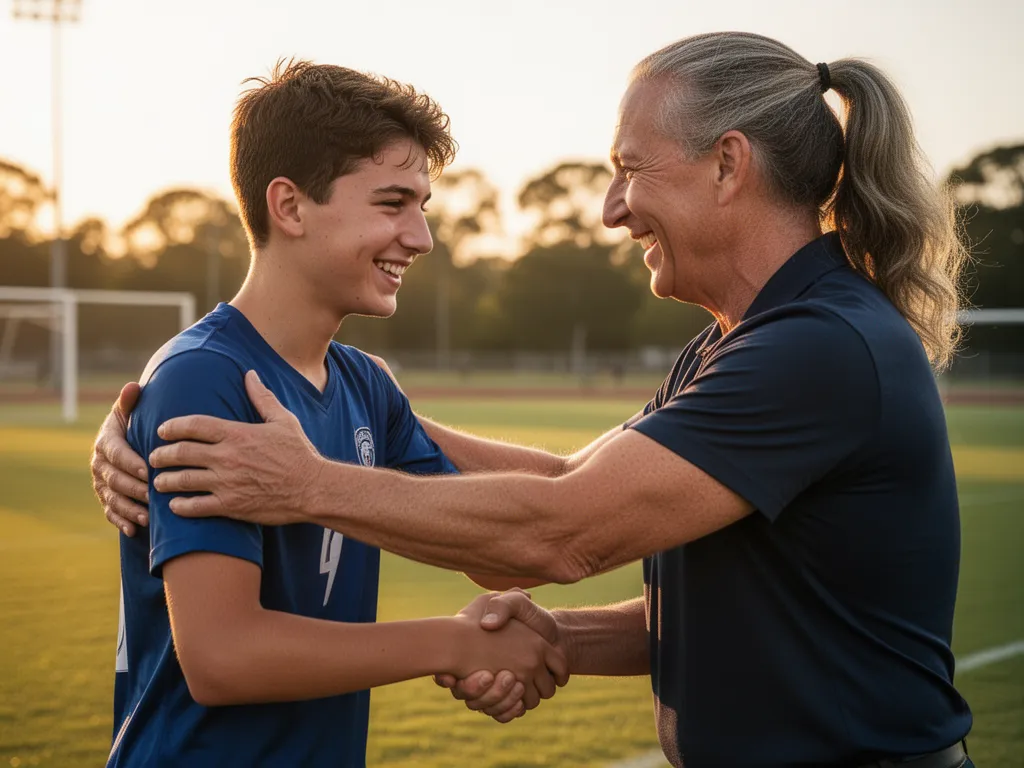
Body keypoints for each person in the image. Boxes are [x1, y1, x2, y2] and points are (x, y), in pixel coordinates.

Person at [93, 32, 975, 768]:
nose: (612, 209)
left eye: (630, 169)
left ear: (728, 164)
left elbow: (559, 528)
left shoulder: (817, 347)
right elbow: (569, 490)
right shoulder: (731, 345)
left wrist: (308, 482)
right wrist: (166, 409)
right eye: (394, 202)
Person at [101, 59, 567, 768]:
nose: (421, 237)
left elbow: (501, 545)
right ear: (289, 207)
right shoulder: (203, 378)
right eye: (392, 203)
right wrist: (453, 642)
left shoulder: (364, 384)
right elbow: (224, 657)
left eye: (423, 206)